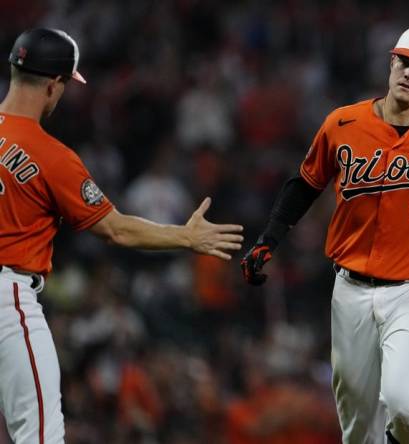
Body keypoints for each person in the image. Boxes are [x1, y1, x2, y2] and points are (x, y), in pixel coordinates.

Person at [241, 24, 409, 444]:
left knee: (406, 408)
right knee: (358, 424)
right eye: (404, 62)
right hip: (351, 288)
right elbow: (306, 184)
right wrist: (268, 239)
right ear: (391, 61)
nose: (408, 74)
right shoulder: (343, 123)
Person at [0, 28, 244, 443]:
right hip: (8, 301)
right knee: (39, 435)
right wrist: (185, 237)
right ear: (54, 85)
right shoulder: (50, 155)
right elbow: (115, 229)